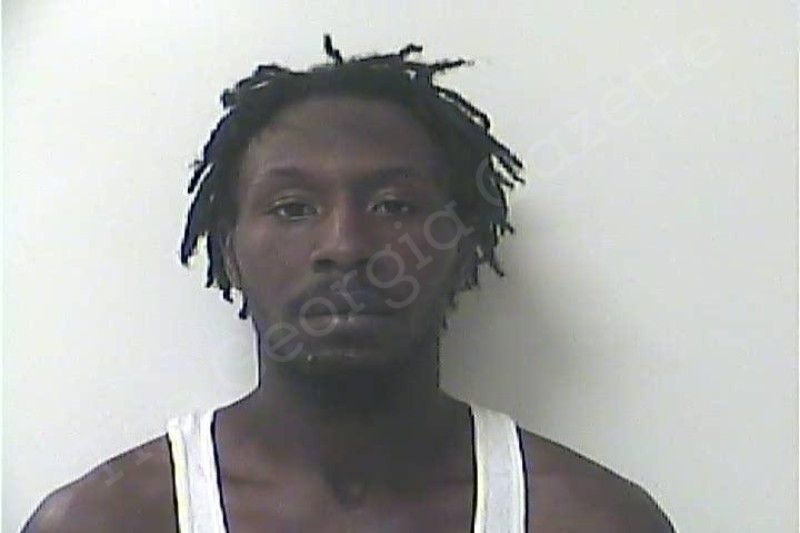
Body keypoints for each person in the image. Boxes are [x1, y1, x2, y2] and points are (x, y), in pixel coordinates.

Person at [23, 36, 675, 532]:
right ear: (230, 252)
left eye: (395, 205)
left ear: (463, 248)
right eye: (293, 208)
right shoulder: (110, 518)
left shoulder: (589, 518)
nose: (345, 245)